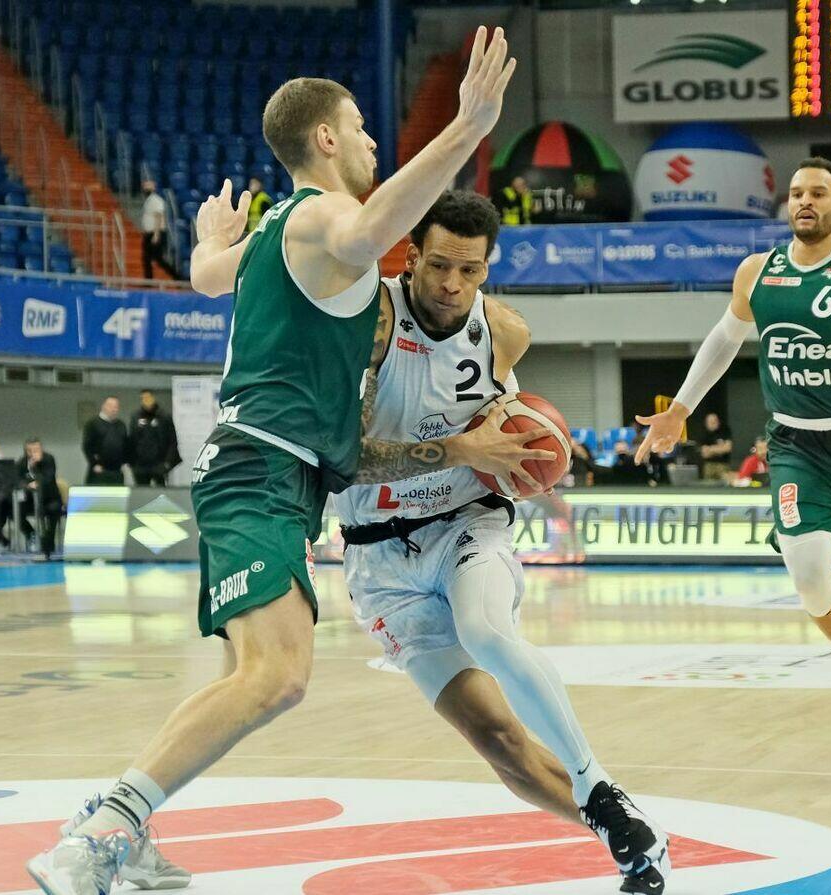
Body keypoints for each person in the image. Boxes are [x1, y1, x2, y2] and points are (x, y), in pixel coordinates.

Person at [28, 29, 527, 894]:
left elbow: (204, 279)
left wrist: (204, 241)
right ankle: (99, 834)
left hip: (270, 475)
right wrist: (467, 128)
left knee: (254, 673)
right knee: (278, 675)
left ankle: (119, 822)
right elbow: (372, 228)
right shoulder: (324, 215)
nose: (371, 141)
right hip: (261, 466)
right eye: (360, 127)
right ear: (325, 138)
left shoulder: (269, 233)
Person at [334, 191, 668, 892]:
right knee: (499, 741)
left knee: (486, 631)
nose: (452, 284)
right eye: (439, 266)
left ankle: (596, 784)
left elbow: (511, 432)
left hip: (466, 522)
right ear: (410, 257)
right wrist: (460, 447)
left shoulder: (505, 332)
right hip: (378, 559)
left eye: (471, 270)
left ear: (488, 268)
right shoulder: (370, 326)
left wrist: (524, 457)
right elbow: (342, 459)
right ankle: (630, 839)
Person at [636, 156, 831, 776]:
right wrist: (679, 409)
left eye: (818, 193)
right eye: (797, 192)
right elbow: (725, 339)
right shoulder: (758, 271)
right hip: (794, 445)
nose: (805, 201)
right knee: (807, 575)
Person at [16, 437, 62, 560]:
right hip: (30, 499)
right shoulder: (22, 462)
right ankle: (31, 534)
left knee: (54, 510)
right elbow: (17, 479)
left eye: (36, 450)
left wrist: (36, 467)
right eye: (30, 450)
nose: (33, 453)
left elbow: (48, 477)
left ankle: (48, 542)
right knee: (15, 512)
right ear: (26, 451)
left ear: (41, 449)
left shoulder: (49, 459)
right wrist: (27, 485)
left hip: (49, 497)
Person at [128, 390, 181, 486]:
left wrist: (167, 462)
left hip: (159, 464)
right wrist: (132, 463)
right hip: (140, 466)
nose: (146, 401)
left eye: (148, 398)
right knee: (141, 491)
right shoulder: (135, 417)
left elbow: (172, 441)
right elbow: (131, 440)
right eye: (143, 398)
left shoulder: (164, 416)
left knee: (160, 490)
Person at [82, 396, 129, 485]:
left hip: (117, 470)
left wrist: (124, 462)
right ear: (104, 406)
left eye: (116, 407)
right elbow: (87, 446)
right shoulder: (92, 423)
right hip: (99, 470)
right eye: (111, 406)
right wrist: (94, 464)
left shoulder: (121, 425)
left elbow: (125, 445)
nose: (114, 409)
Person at [140, 178, 178, 279]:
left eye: (148, 185)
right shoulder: (148, 200)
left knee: (158, 259)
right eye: (145, 185)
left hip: (155, 233)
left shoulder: (156, 200)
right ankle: (148, 281)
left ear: (154, 187)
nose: (145, 187)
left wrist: (156, 234)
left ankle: (176, 276)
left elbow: (159, 216)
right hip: (149, 233)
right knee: (146, 258)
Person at [699, 411, 734, 482]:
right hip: (709, 466)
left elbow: (727, 448)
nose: (712, 424)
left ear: (718, 422)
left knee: (724, 484)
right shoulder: (704, 435)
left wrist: (710, 449)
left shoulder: (724, 432)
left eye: (714, 422)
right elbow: (704, 454)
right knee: (708, 485)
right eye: (710, 422)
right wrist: (719, 448)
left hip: (723, 465)